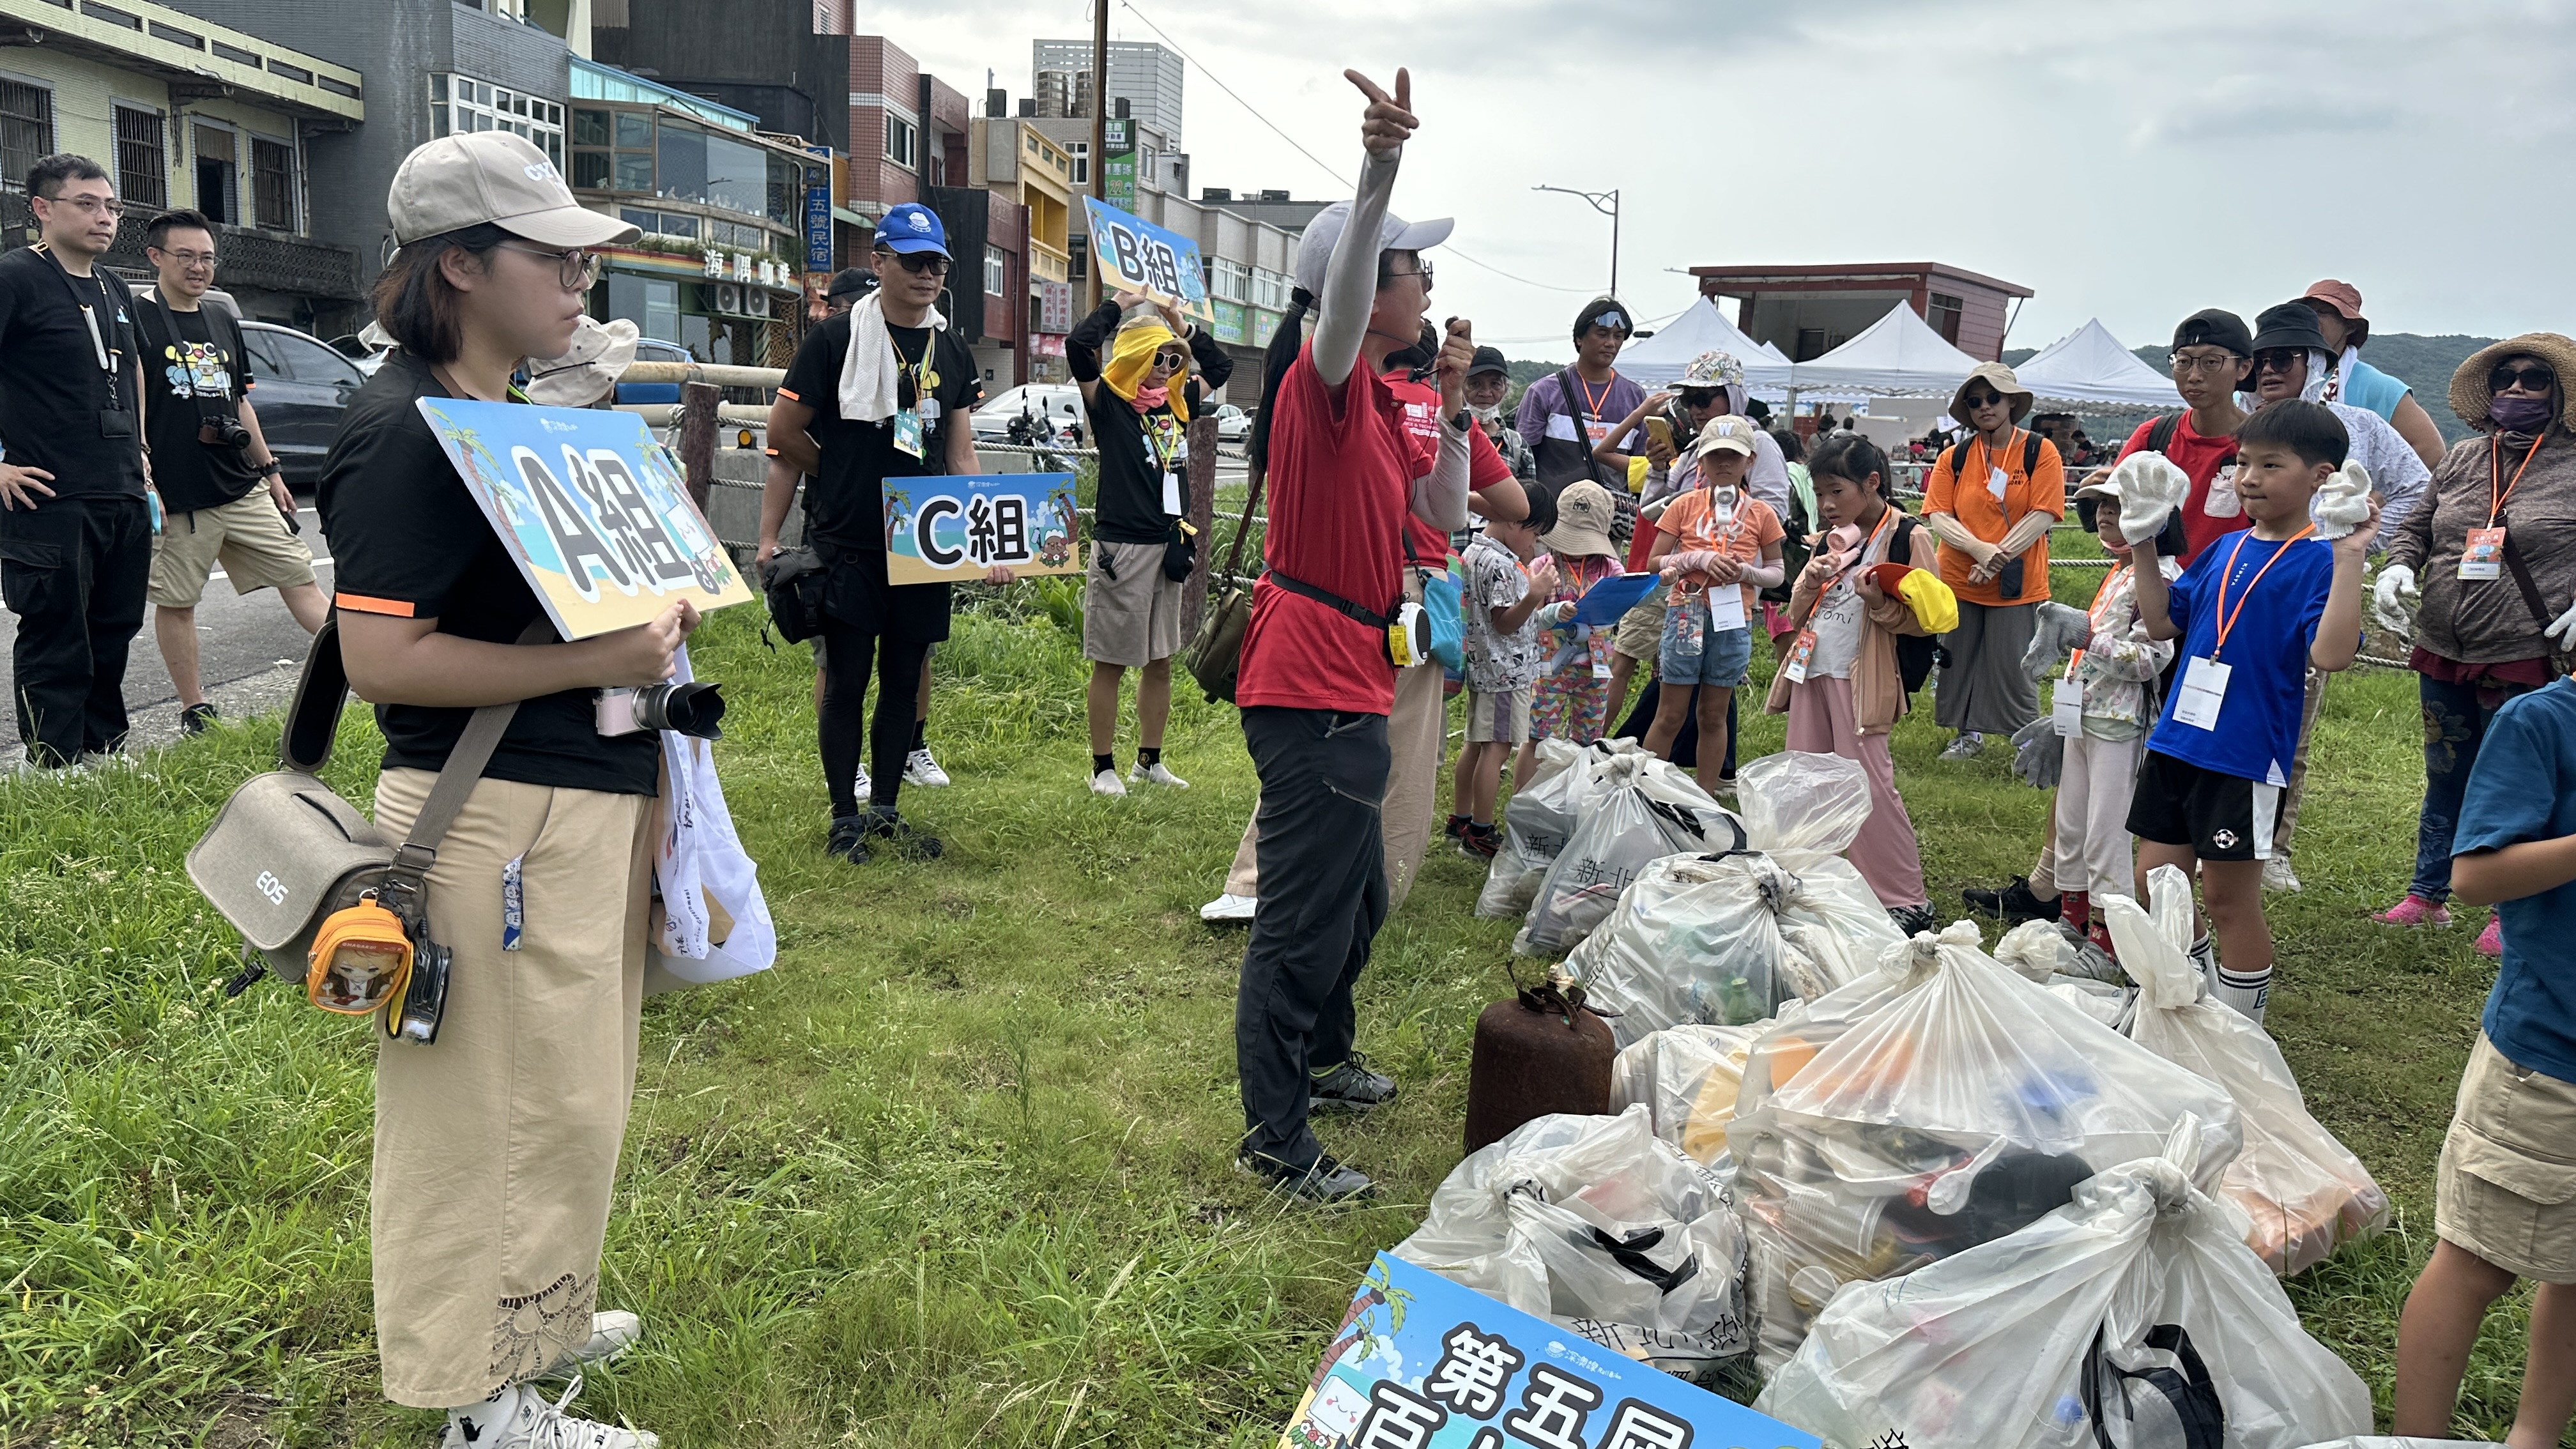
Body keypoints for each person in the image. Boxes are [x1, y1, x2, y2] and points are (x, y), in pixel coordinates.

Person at [318, 131, 679, 1448]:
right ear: (460, 266)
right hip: (487, 822)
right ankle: (481, 1400)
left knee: (569, 1091)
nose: (583, 273)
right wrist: (603, 657)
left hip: (564, 807)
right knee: (484, 1111)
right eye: (553, 252)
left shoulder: (503, 417)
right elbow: (379, 656)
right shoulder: (405, 431)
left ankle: (540, 1314)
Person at [1225, 67, 1471, 1202]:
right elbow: (1330, 319)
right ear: (1364, 291)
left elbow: (1443, 513)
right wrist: (1377, 175)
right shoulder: (1319, 387)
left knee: (1357, 894)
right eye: (1407, 267)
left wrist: (1454, 399)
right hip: (1312, 682)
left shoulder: (1376, 399)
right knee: (1301, 915)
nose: (1421, 281)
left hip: (1353, 677)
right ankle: (1277, 1137)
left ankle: (1322, 1057)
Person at [1206, 317, 1524, 924]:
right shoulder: (1436, 410)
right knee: (1404, 751)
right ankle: (1381, 890)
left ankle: (1250, 882)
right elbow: (1508, 503)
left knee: (1303, 748)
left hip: (1333, 585)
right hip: (1419, 591)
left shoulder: (1355, 398)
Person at [758, 202, 1004, 864]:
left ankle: (887, 809)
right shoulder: (836, 341)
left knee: (905, 679)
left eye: (939, 264)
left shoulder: (949, 348)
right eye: (915, 261)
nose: (929, 275)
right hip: (848, 541)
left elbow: (960, 454)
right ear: (880, 261)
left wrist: (987, 543)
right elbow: (782, 437)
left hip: (923, 539)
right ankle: (845, 818)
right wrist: (839, 475)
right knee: (846, 680)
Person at [2126, 400, 2377, 1024]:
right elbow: (2161, 622)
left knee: (2227, 899)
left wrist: (2351, 558)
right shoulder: (2227, 548)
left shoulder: (2319, 560)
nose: (2250, 478)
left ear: (2323, 478)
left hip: (2244, 756)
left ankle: (2243, 1034)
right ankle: (2194, 998)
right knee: (2156, 884)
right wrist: (2143, 542)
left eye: (2270, 464)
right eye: (2242, 463)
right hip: (2178, 742)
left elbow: (2332, 653)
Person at [2392, 663, 2576, 1449]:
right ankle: (2415, 1442)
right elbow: (2475, 876)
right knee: (2477, 1261)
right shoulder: (2542, 723)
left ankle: (2532, 1439)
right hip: (2547, 1059)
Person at [2372, 335, 2576, 958]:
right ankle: (2427, 893)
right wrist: (2398, 566)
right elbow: (2416, 525)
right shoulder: (2463, 459)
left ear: (2561, 393)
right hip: (2445, 643)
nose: (2515, 388)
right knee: (2446, 771)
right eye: (2505, 378)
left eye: (2533, 378)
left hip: (2527, 647)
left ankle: (2506, 906)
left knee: (2515, 780)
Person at [2237, 299, 2432, 893]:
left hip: (2313, 588)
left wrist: (2354, 543)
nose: (2270, 370)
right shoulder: (2238, 428)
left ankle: (2273, 846)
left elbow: (2419, 489)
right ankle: (2217, 828)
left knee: (2292, 718)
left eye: (2286, 358)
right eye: (2260, 359)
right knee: (2223, 710)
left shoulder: (2360, 427)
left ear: (2319, 362)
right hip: (2237, 585)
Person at [132, 207, 324, 731]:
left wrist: (272, 471)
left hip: (240, 485)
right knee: (179, 602)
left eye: (207, 258)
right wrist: (146, 480)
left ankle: (361, 671)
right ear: (156, 257)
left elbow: (240, 402)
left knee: (300, 575)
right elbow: (135, 406)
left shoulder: (221, 317)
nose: (199, 268)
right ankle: (195, 707)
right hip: (179, 492)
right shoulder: (135, 319)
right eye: (186, 257)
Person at [0, 153, 151, 769]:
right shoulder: (15, 276)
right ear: (41, 208)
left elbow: (132, 365)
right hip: (46, 492)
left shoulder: (113, 285)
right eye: (86, 204)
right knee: (57, 630)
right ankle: (54, 764)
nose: (104, 217)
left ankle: (104, 747)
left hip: (118, 484)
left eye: (111, 206)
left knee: (113, 626)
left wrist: (141, 452)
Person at [1765, 432, 1937, 934]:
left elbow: (1929, 619)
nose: (1826, 504)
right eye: (1819, 494)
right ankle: (1813, 882)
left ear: (1872, 482)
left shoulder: (1910, 537)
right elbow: (1796, 614)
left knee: (1870, 786)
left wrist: (1877, 601)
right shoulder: (1827, 540)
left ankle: (1903, 896)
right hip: (1812, 671)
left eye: (1836, 491)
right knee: (1808, 781)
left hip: (1862, 679)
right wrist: (1812, 580)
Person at [1068, 287, 1232, 796]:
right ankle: (1102, 768)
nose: (1165, 369)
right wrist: (1118, 305)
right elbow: (1078, 348)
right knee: (1113, 660)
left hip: (1168, 546)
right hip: (1123, 549)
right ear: (1135, 358)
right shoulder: (1110, 405)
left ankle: (1149, 761)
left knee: (1161, 658)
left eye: (1172, 360)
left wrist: (1180, 325)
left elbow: (1221, 367)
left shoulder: (1177, 409)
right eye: (1156, 358)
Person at [2042, 476, 2182, 956]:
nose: (2104, 514)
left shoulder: (2159, 575)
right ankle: (2072, 921)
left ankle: (2108, 941)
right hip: (2083, 716)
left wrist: (2084, 637)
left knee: (2106, 832)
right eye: (2099, 505)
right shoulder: (2120, 570)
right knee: (2072, 826)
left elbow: (2150, 660)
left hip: (2121, 724)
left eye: (2118, 506)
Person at [1920, 361, 2066, 760]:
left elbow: (2043, 513)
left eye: (1993, 398)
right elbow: (1938, 515)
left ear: (2011, 402)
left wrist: (1996, 557)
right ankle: (1966, 735)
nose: (1985, 407)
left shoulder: (2040, 450)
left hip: (2015, 580)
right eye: (1975, 401)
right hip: (1959, 575)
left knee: (2014, 662)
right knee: (1957, 659)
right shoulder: (1954, 456)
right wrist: (1981, 551)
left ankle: (2029, 740)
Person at [1641, 415, 1783, 794]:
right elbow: (1654, 561)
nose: (1723, 464)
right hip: (1686, 611)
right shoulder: (1683, 506)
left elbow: (1777, 573)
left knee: (1713, 713)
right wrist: (1696, 560)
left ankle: (1706, 794)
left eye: (1732, 457)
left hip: (1733, 616)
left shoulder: (1761, 513)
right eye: (1714, 456)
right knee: (1670, 712)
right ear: (1699, 461)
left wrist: (1746, 575)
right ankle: (1648, 792)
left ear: (1749, 461)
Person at [1452, 490, 1556, 859]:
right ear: (1515, 520)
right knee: (1497, 749)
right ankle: (1480, 831)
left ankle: (1460, 819)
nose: (1535, 541)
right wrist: (1536, 593)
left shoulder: (1474, 552)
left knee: (1477, 744)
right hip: (1505, 671)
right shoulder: (1501, 564)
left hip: (1484, 665)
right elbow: (1506, 623)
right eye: (1535, 531)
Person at [1523, 480, 1625, 763]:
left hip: (1595, 668)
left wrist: (1660, 588)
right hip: (1549, 667)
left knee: (1588, 741)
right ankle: (1525, 797)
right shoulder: (1541, 566)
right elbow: (1529, 618)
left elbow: (1623, 606)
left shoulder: (1611, 569)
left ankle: (1572, 796)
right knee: (1538, 737)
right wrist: (1554, 613)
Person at [2302, 278, 2448, 470]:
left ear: (2350, 326)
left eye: (2322, 312)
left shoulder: (2377, 387)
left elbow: (2431, 450)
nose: (2313, 319)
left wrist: (2381, 496)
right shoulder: (2284, 377)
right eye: (2307, 312)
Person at [1517, 296, 1644, 488]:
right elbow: (1524, 463)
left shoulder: (1636, 398)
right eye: (1602, 334)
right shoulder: (1544, 392)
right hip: (1553, 513)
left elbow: (1642, 466)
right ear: (1579, 338)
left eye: (1618, 336)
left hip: (1612, 515)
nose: (1611, 343)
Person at [1463, 346, 1534, 480]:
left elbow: (1529, 498)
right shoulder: (1448, 436)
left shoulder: (1518, 446)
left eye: (1495, 384)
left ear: (1506, 389)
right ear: (1461, 387)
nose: (1485, 393)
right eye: (1475, 384)